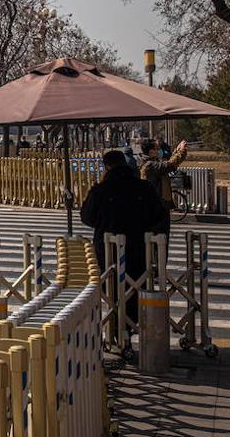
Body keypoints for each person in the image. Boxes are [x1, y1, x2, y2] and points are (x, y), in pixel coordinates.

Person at [80, 149, 166, 330]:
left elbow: (87, 217)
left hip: (108, 250)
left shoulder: (100, 190)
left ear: (106, 166)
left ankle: (116, 330)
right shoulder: (144, 188)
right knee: (135, 288)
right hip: (138, 248)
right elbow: (158, 215)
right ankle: (131, 326)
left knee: (111, 291)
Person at [140, 138, 188, 220]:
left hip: (158, 203)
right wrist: (181, 151)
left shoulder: (153, 162)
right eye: (157, 149)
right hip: (156, 204)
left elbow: (168, 163)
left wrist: (177, 149)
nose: (159, 151)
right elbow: (169, 165)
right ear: (151, 152)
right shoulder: (150, 165)